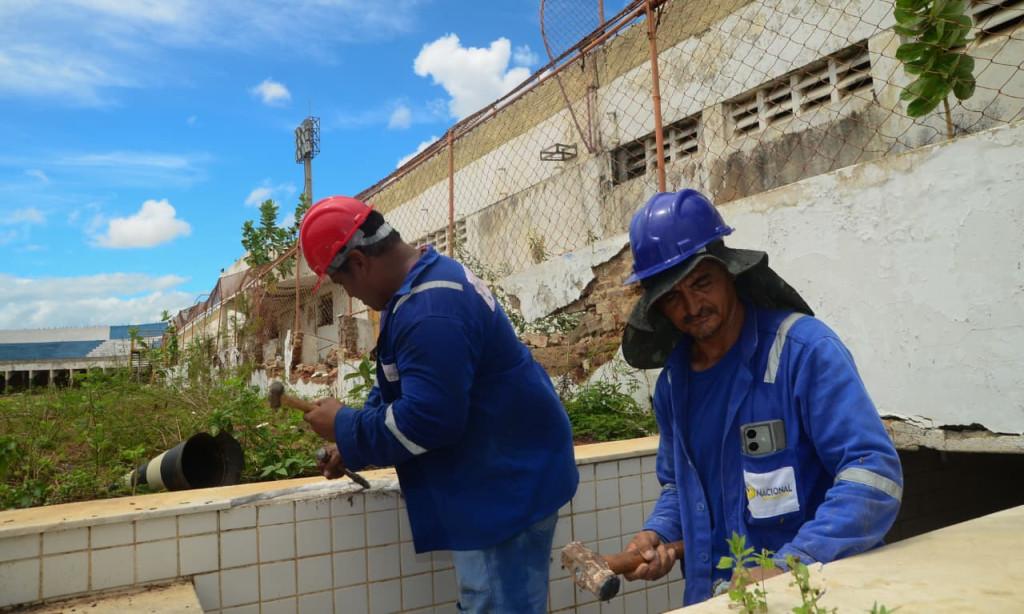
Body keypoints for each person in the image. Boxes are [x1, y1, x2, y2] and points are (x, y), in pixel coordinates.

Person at [619, 189, 903, 606]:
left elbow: (873, 474)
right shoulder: (674, 387)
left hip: (811, 594)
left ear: (730, 273)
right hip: (713, 598)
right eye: (673, 298)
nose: (692, 306)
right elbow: (680, 488)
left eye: (702, 283)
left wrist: (792, 565)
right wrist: (658, 533)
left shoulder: (803, 352)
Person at [297, 196, 578, 613]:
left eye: (343, 284)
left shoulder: (430, 310)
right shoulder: (425, 281)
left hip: (502, 494)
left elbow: (430, 421)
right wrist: (351, 444)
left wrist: (346, 425)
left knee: (496, 603)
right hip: (508, 475)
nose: (351, 295)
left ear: (358, 262)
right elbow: (401, 386)